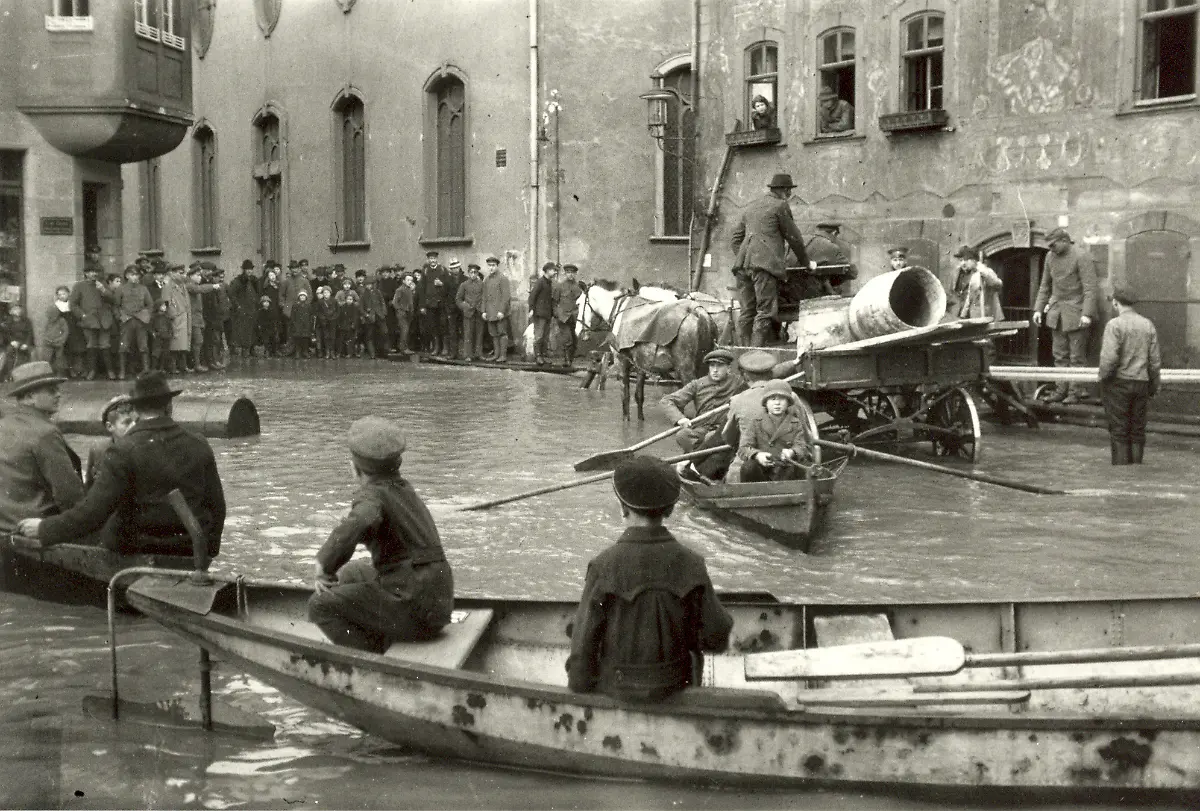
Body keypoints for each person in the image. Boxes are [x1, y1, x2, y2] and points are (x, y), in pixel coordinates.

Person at [565, 455, 732, 702]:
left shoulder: (603, 565)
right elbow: (717, 636)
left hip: (617, 688)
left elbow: (582, 655)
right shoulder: (692, 562)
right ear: (671, 509)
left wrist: (580, 686)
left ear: (622, 508)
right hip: (676, 685)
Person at [19, 371, 226, 559]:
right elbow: (217, 507)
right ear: (169, 406)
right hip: (190, 547)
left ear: (135, 410)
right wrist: (209, 551)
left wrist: (44, 529)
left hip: (139, 549)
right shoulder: (199, 443)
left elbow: (93, 513)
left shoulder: (122, 450)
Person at [307, 416, 455, 653]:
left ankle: (373, 656)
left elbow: (362, 520)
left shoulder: (372, 496)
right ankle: (377, 631)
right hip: (439, 604)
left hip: (414, 610)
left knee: (319, 606)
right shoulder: (403, 489)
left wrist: (323, 564)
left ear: (355, 469)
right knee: (352, 572)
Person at [0, 362, 84, 534]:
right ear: (30, 396)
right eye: (51, 390)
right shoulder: (45, 433)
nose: (59, 395)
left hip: (7, 525)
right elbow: (69, 494)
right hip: (37, 528)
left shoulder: (3, 424)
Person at [731, 173, 811, 346]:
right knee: (765, 312)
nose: (789, 196)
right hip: (763, 268)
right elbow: (794, 238)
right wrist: (807, 263)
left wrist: (747, 257)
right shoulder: (780, 206)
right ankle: (753, 358)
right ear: (784, 190)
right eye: (789, 191)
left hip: (742, 267)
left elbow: (735, 239)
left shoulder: (751, 207)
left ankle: (741, 353)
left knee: (747, 311)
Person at [1033, 228, 1099, 404]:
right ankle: (1060, 390)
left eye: (1053, 245)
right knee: (1059, 355)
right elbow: (1045, 286)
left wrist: (1087, 314)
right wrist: (1038, 309)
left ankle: (1075, 392)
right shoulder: (1049, 257)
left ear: (1064, 240)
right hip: (1056, 313)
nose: (1051, 249)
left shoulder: (1081, 255)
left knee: (1077, 357)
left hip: (1077, 313)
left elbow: (1090, 288)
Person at [1098, 287, 1161, 466]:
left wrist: (1102, 378)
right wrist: (1154, 384)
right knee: (1137, 430)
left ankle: (1122, 476)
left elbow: (1109, 359)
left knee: (1119, 430)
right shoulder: (1147, 324)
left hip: (1118, 384)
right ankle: (1136, 473)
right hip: (1141, 383)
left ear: (1116, 303)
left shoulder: (1114, 325)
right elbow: (1155, 361)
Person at [659, 349, 745, 478]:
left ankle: (699, 466)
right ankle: (699, 464)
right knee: (682, 435)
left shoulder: (738, 383)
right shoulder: (697, 384)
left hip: (724, 430)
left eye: (719, 366)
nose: (715, 370)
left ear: (728, 368)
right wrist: (680, 419)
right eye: (712, 366)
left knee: (712, 438)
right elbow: (667, 400)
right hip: (701, 429)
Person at [720, 349, 794, 482]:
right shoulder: (791, 396)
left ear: (746, 376)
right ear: (772, 373)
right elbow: (806, 434)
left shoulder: (737, 400)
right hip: (786, 463)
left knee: (736, 472)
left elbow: (729, 438)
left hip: (749, 465)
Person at [737, 380, 813, 483]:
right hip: (763, 471)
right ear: (766, 403)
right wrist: (758, 455)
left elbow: (802, 446)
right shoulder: (756, 422)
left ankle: (804, 496)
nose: (777, 403)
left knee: (807, 468)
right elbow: (744, 447)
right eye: (772, 399)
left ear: (788, 403)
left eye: (782, 399)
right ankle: (752, 496)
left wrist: (792, 452)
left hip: (787, 469)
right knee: (748, 467)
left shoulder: (795, 423)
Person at [68, 265, 115, 380]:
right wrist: (82, 315)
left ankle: (110, 371)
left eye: (96, 271)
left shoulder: (102, 284)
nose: (94, 274)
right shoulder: (79, 286)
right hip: (89, 320)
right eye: (91, 271)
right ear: (86, 274)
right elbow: (73, 304)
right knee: (91, 345)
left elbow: (113, 300)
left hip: (104, 319)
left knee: (105, 345)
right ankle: (92, 371)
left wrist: (103, 290)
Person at [84, 395, 136, 487]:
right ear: (110, 426)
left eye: (136, 421)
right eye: (127, 422)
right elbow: (90, 485)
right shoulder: (98, 449)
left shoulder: (144, 448)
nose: (133, 427)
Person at [115, 264, 153, 380]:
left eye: (137, 275)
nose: (135, 277)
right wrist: (120, 317)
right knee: (124, 346)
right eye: (132, 275)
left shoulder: (143, 289)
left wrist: (146, 316)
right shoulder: (121, 289)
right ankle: (122, 372)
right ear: (126, 276)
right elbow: (116, 305)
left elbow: (150, 304)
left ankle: (146, 371)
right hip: (126, 320)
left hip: (140, 321)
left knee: (143, 346)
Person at [949, 245, 1004, 322]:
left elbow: (998, 284)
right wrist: (962, 315)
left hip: (987, 316)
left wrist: (984, 271)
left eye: (966, 260)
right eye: (961, 260)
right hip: (969, 317)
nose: (963, 263)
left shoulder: (985, 272)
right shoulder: (964, 274)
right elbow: (965, 296)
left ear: (974, 260)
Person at [806, 223, 857, 296]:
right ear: (834, 233)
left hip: (795, 289)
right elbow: (852, 272)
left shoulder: (803, 241)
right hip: (814, 291)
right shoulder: (830, 246)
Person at [551, 263, 584, 367]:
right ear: (565, 273)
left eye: (572, 273)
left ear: (575, 274)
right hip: (563, 317)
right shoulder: (560, 286)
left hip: (574, 317)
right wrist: (557, 314)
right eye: (568, 272)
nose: (570, 275)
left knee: (574, 340)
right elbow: (554, 302)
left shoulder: (578, 287)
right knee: (567, 338)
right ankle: (567, 360)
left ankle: (571, 359)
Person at [481, 256, 512, 363]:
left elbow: (506, 297)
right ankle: (496, 354)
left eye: (493, 265)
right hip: (490, 312)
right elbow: (484, 296)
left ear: (497, 266)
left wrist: (502, 311)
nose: (491, 268)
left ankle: (503, 356)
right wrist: (483, 311)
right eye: (489, 265)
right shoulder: (486, 280)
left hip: (499, 312)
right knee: (493, 334)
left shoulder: (503, 278)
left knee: (502, 333)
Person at [228, 259, 260, 358]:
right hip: (243, 310)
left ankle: (252, 348)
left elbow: (258, 293)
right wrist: (238, 306)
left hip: (253, 309)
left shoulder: (254, 280)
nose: (250, 271)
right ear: (244, 270)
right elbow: (231, 294)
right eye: (247, 269)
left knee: (253, 330)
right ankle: (245, 350)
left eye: (251, 269)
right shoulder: (238, 281)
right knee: (244, 331)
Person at [529, 262, 557, 365]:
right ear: (547, 271)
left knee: (545, 337)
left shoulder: (550, 283)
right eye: (553, 270)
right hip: (539, 314)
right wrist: (531, 309)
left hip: (547, 314)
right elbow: (532, 296)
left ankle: (543, 356)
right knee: (539, 336)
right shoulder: (540, 282)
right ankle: (538, 357)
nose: (554, 272)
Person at [455, 264, 485, 360]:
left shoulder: (482, 284)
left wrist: (482, 308)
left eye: (475, 272)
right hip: (468, 313)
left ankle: (478, 354)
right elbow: (458, 299)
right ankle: (467, 355)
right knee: (468, 334)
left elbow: (485, 298)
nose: (473, 274)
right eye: (471, 272)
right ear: (468, 273)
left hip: (479, 312)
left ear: (477, 273)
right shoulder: (464, 285)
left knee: (479, 333)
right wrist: (465, 306)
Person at [41, 286, 71, 376]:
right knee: (47, 357)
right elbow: (45, 331)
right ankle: (47, 373)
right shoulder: (48, 322)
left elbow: (66, 331)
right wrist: (47, 339)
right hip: (49, 343)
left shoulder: (61, 321)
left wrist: (60, 340)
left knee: (60, 357)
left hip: (59, 343)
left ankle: (61, 373)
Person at [392, 274, 415, 358]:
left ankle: (405, 347)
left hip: (408, 313)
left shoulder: (409, 290)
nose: (410, 282)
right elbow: (394, 302)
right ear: (403, 281)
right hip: (402, 313)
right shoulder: (400, 290)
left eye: (411, 280)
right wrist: (400, 310)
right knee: (404, 330)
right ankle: (403, 348)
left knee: (406, 330)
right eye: (408, 280)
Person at [290, 289, 315, 358]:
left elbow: (311, 315)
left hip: (306, 325)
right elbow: (292, 315)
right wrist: (294, 323)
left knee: (305, 338)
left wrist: (310, 323)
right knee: (297, 338)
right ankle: (297, 351)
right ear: (299, 297)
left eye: (304, 296)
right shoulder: (295, 305)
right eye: (301, 296)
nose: (302, 297)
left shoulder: (308, 305)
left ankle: (305, 351)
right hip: (297, 324)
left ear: (306, 297)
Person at [315, 285, 337, 359]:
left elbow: (337, 311)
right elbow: (318, 312)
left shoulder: (334, 301)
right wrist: (323, 318)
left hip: (332, 322)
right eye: (324, 293)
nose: (326, 294)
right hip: (324, 322)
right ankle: (327, 352)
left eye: (327, 292)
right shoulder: (320, 302)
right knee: (326, 337)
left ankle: (332, 352)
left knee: (333, 337)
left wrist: (333, 318)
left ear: (330, 293)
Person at [150, 300, 173, 371]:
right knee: (156, 353)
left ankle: (161, 368)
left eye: (165, 305)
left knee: (165, 353)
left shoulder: (167, 317)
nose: (165, 307)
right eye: (163, 305)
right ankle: (153, 368)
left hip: (166, 337)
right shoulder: (154, 317)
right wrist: (153, 333)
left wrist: (170, 333)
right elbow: (150, 327)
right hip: (158, 337)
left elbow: (170, 326)